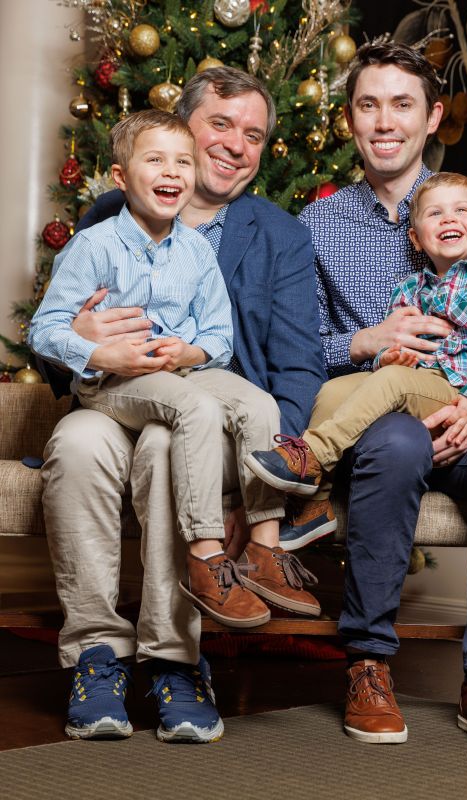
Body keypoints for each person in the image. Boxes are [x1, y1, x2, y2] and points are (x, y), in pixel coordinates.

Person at [39, 67, 326, 742]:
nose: (235, 144)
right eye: (220, 124)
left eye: (253, 134)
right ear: (181, 130)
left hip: (212, 419)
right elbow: (55, 340)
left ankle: (174, 660)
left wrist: (261, 469)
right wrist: (81, 341)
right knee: (76, 445)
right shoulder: (105, 219)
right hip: (117, 396)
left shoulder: (278, 234)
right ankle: (96, 655)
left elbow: (295, 366)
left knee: (172, 444)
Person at [294, 42, 467, 748]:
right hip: (378, 422)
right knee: (398, 440)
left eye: (402, 104)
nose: (385, 121)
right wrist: (365, 342)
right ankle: (369, 665)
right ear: (350, 119)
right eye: (369, 104)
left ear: (433, 116)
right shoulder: (318, 225)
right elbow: (296, 351)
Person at [245, 172, 467, 538]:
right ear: (415, 238)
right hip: (415, 381)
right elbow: (389, 361)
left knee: (394, 381)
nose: (449, 219)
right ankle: (316, 504)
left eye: (461, 210)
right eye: (435, 213)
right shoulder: (410, 289)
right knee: (333, 391)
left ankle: (312, 455)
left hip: (458, 389)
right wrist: (390, 358)